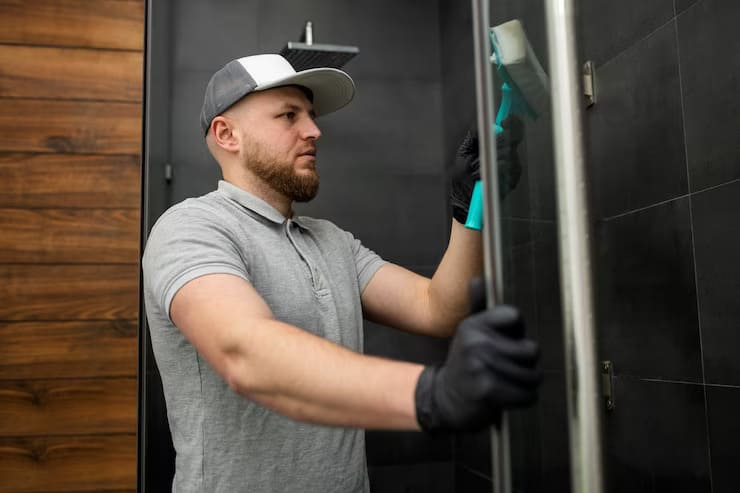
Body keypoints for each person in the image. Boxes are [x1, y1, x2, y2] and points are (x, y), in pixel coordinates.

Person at [142, 53, 540, 493]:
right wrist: (430, 394)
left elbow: (438, 310)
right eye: (289, 115)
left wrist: (469, 209)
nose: (314, 131)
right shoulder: (191, 227)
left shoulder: (331, 241)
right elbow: (242, 352)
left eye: (311, 116)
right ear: (227, 134)